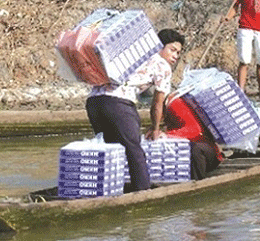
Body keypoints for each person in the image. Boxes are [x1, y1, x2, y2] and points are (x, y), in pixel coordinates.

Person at [85, 29, 184, 191]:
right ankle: (143, 193)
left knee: (109, 149)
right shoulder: (162, 65)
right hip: (118, 104)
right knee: (134, 152)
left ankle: (107, 189)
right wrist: (156, 128)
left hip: (94, 102)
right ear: (159, 46)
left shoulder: (134, 55)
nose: (175, 56)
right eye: (172, 50)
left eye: (178, 53)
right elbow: (157, 104)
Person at [164, 95, 223, 180]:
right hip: (201, 152)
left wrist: (167, 135)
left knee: (195, 149)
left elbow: (195, 129)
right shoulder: (177, 105)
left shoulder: (176, 104)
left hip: (206, 152)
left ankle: (198, 180)